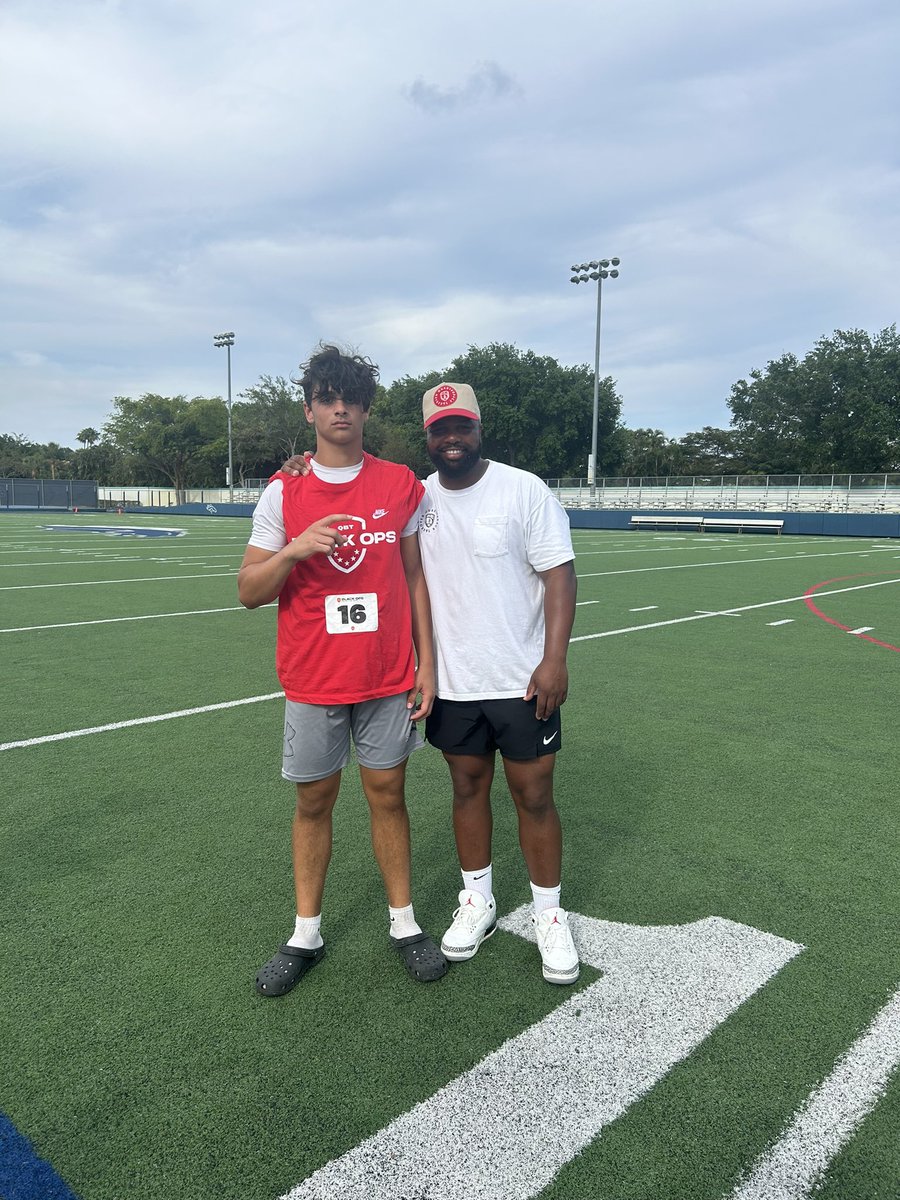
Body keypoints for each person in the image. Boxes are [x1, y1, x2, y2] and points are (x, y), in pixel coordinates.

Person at [283, 381, 579, 984]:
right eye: (440, 430)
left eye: (461, 427)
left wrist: (554, 660)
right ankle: (479, 902)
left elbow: (560, 574)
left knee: (536, 796)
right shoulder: (414, 497)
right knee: (466, 791)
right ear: (428, 437)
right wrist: (298, 463)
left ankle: (549, 913)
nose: (451, 439)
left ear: (478, 430)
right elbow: (367, 515)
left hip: (521, 679)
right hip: (451, 682)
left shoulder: (524, 488)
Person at [239, 344, 447, 996]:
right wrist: (297, 548)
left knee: (389, 796)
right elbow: (248, 589)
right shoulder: (285, 489)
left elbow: (415, 577)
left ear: (364, 409)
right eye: (327, 398)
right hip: (314, 678)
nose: (339, 409)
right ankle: (306, 934)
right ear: (309, 410)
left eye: (350, 399)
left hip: (386, 676)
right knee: (314, 802)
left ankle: (405, 924)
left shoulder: (398, 483)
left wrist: (427, 667)